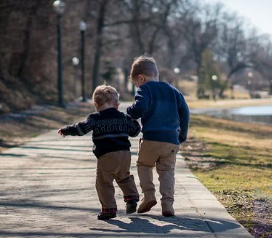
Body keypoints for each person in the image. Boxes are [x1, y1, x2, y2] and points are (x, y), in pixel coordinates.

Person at [58, 84, 141, 220]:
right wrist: (135, 121)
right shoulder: (123, 117)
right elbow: (134, 131)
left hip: (107, 155)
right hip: (125, 154)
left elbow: (82, 129)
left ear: (95, 104)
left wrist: (67, 130)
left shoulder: (95, 118)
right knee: (124, 176)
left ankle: (109, 209)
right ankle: (131, 198)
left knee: (104, 182)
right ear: (117, 104)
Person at [127, 55, 189, 217]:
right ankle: (168, 204)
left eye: (135, 84)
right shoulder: (173, 91)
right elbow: (185, 112)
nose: (137, 87)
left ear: (141, 78)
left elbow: (139, 109)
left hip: (151, 138)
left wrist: (130, 112)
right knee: (167, 171)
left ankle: (149, 196)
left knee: (144, 165)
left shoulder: (144, 89)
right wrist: (181, 135)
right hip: (171, 140)